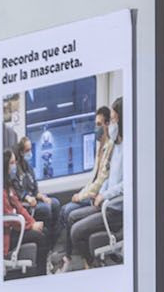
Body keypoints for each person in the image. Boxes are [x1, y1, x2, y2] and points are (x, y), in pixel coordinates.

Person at [46, 102, 116, 270]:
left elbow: (100, 182)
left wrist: (82, 196)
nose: (96, 128)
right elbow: (93, 178)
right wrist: (81, 192)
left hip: (98, 196)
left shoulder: (111, 147)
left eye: (99, 124)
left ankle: (68, 256)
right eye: (95, 124)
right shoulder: (100, 148)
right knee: (63, 209)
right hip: (92, 192)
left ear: (108, 124)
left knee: (69, 211)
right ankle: (64, 254)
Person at [66, 97, 125, 269]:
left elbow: (125, 185)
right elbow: (107, 178)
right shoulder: (115, 146)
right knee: (71, 216)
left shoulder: (127, 148)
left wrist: (103, 195)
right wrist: (98, 195)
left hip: (114, 209)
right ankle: (87, 261)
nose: (111, 124)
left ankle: (91, 264)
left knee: (76, 231)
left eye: (113, 119)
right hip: (105, 202)